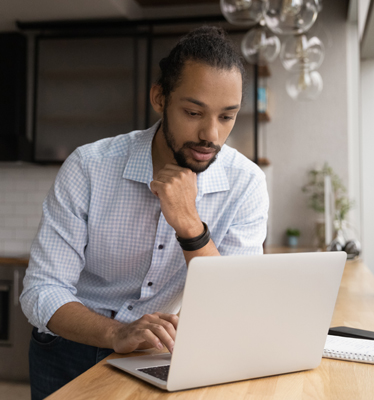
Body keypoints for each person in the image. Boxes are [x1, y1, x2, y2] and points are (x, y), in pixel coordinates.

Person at [21, 26, 269, 399]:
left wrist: (190, 226)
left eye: (226, 117)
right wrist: (115, 333)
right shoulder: (89, 167)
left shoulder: (245, 183)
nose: (211, 135)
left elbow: (237, 309)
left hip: (154, 354)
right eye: (193, 111)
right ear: (159, 98)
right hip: (67, 349)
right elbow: (42, 289)